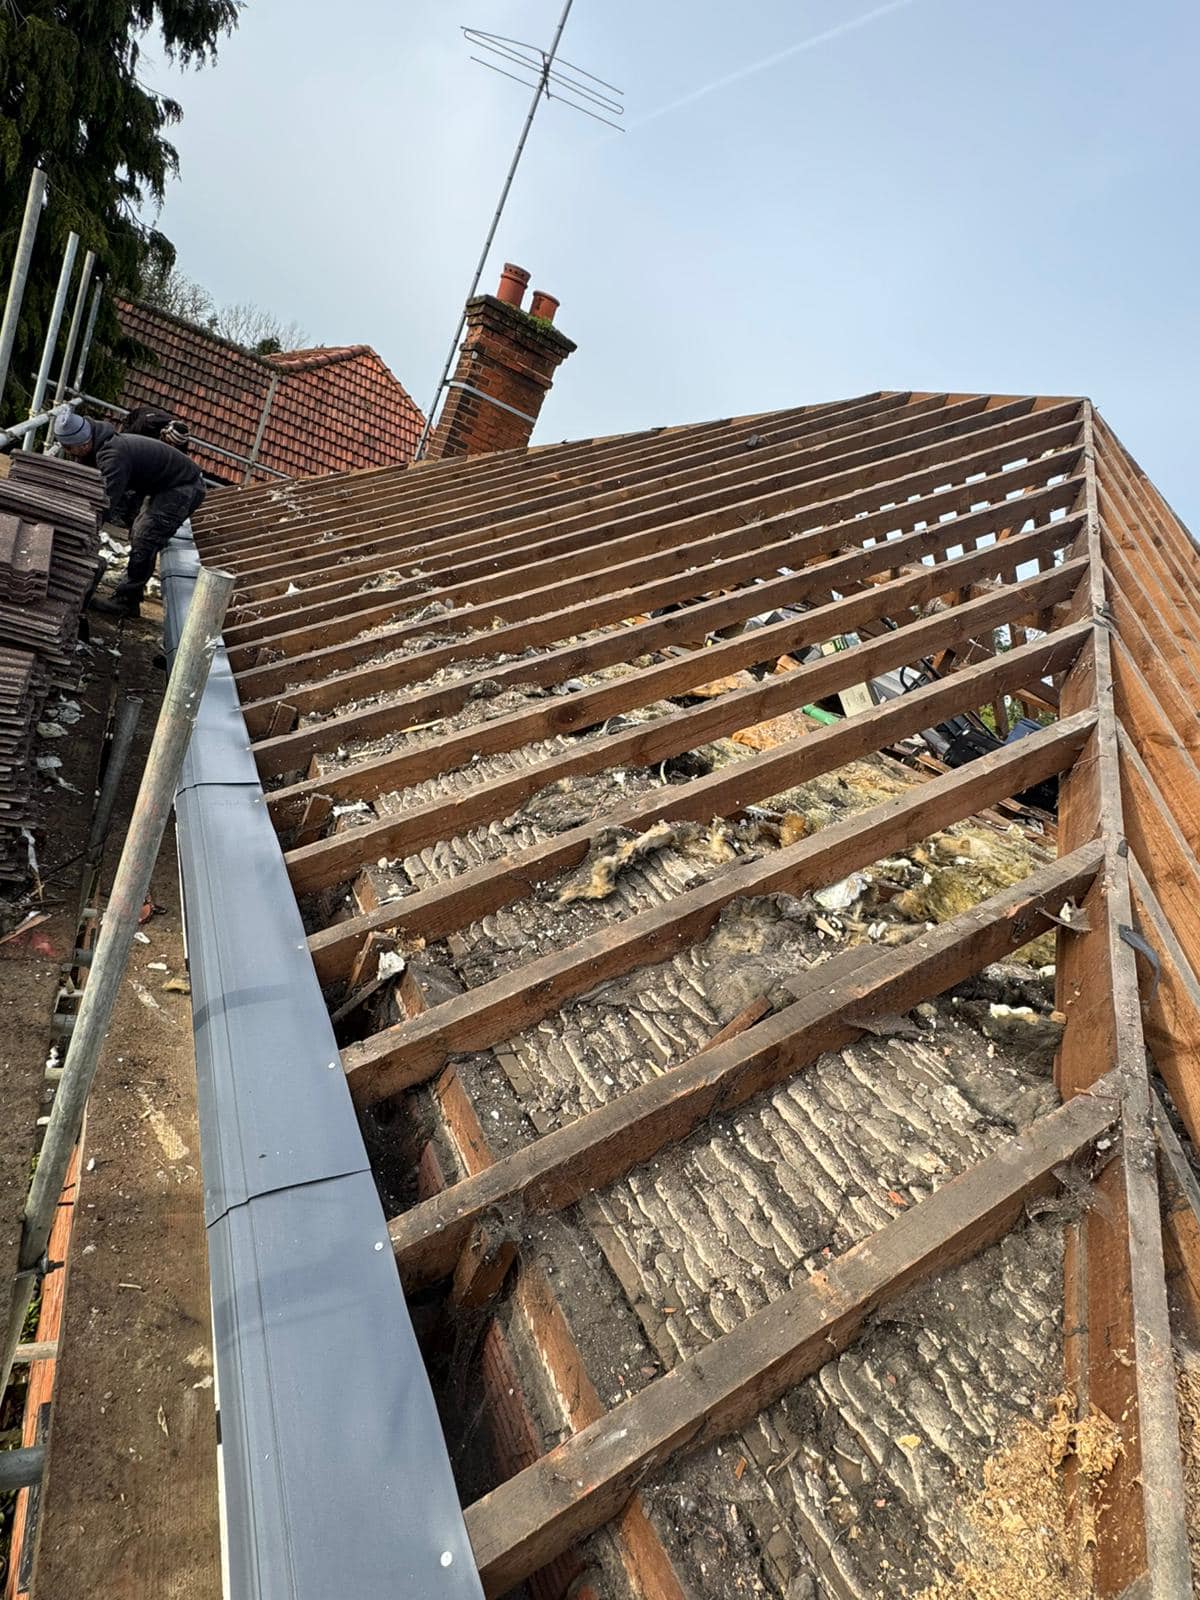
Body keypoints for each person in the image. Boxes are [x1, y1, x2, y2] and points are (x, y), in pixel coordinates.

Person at [54, 409, 206, 618]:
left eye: (70, 448)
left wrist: (77, 534)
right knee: (139, 532)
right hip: (166, 485)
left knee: (146, 536)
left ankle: (127, 602)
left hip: (183, 487)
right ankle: (129, 588)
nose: (70, 453)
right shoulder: (99, 446)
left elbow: (104, 502)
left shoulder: (113, 455)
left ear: (84, 444)